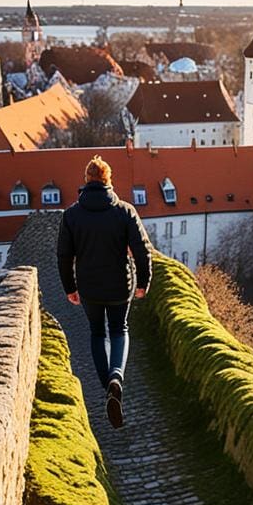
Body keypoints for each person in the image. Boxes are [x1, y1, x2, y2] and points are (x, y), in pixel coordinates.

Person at [57, 155, 152, 429]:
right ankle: (116, 377)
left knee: (98, 333)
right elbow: (143, 250)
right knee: (119, 329)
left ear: (86, 181)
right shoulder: (125, 211)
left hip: (89, 287)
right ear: (109, 180)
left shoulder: (72, 215)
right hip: (120, 286)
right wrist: (144, 282)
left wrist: (69, 287)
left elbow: (63, 256)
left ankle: (108, 388)